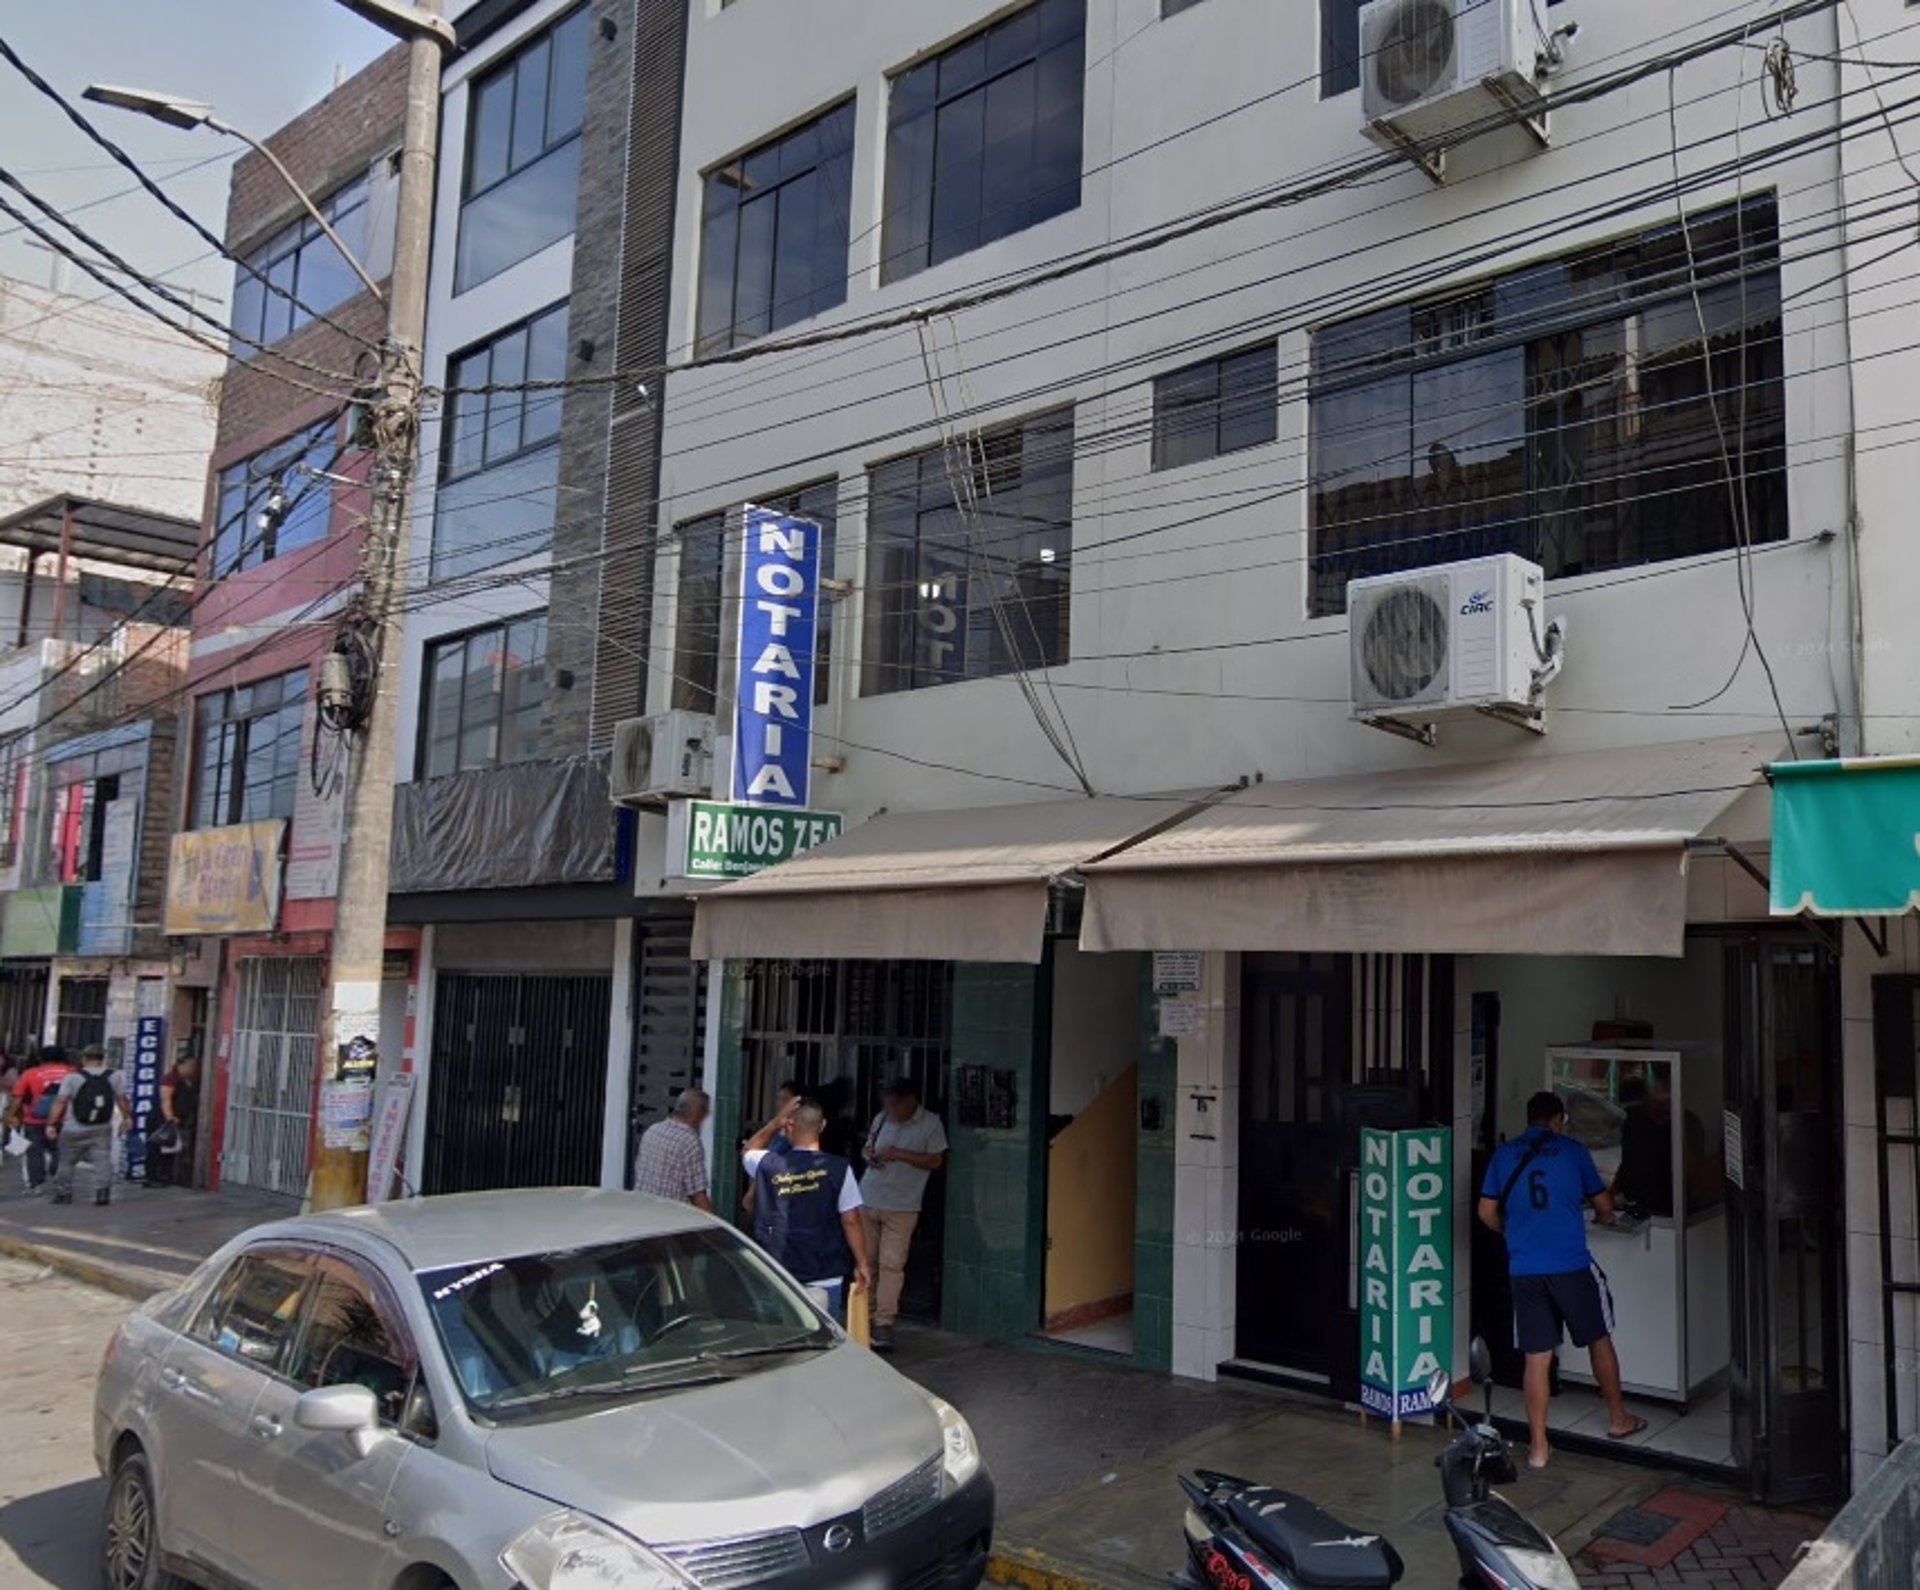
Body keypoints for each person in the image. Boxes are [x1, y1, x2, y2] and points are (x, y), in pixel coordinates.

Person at [1478, 1091, 1647, 1469]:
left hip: (1525, 1269)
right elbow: (1604, 1205)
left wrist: (1512, 1232)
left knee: (1537, 1357)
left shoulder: (1503, 1155)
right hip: (1570, 1265)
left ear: (1529, 1119)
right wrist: (1605, 1215)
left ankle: (1538, 1448)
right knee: (1598, 1337)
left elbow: (1486, 1211)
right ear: (1558, 1120)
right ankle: (1619, 1419)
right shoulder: (1572, 1151)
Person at [743, 1100, 871, 1324]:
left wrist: (774, 1123)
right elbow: (851, 1220)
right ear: (823, 1126)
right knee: (824, 1339)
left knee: (776, 1338)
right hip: (824, 1272)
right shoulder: (840, 1168)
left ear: (788, 1126)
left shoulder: (768, 1163)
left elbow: (748, 1150)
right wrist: (862, 1263)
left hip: (776, 1269)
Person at [860, 1077, 948, 1350]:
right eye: (888, 1105)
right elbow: (868, 1147)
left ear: (910, 1101)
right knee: (866, 1261)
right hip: (869, 1197)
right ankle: (863, 1316)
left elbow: (935, 1160)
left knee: (891, 1264)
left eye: (896, 1105)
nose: (892, 1110)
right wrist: (869, 1155)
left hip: (902, 1205)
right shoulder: (881, 1119)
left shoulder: (931, 1123)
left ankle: (883, 1322)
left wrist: (900, 1154)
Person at [48, 1044, 133, 1207]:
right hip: (101, 1126)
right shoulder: (114, 1076)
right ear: (102, 1059)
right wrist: (127, 1117)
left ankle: (63, 1194)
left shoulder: (72, 1077)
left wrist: (51, 1123)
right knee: (102, 1159)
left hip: (73, 1127)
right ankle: (102, 1193)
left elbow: (61, 1101)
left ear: (84, 1058)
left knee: (66, 1161)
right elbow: (122, 1099)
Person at [6, 1044, 76, 1195]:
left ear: (41, 1058)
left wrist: (10, 1115)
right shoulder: (72, 1072)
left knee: (35, 1152)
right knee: (60, 1151)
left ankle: (36, 1185)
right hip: (64, 1119)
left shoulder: (31, 1073)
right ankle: (59, 1180)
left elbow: (18, 1097)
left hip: (34, 1119)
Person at [633, 1088, 712, 1210]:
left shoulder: (653, 1130)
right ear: (699, 1113)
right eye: (706, 1112)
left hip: (641, 1208)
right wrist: (712, 1220)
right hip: (669, 1215)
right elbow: (698, 1195)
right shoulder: (689, 1141)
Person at [741, 1081, 803, 1221]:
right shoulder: (776, 1132)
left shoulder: (796, 1134)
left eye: (785, 1099)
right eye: (779, 1099)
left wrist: (752, 1193)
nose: (780, 1104)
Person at [144, 1053, 202, 1190]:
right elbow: (166, 1100)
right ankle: (152, 1177)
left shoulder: (189, 1080)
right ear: (181, 1065)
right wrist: (170, 1118)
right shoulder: (171, 1078)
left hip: (178, 1119)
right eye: (190, 1066)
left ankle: (164, 1176)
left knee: (169, 1149)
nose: (193, 1069)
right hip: (161, 1119)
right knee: (156, 1148)